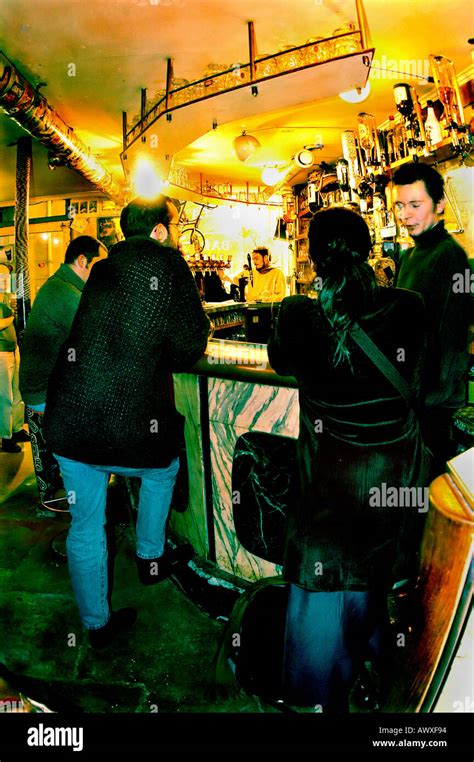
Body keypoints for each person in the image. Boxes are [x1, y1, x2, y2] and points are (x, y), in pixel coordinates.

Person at [267, 208, 431, 712]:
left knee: (324, 596)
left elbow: (280, 361)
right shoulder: (410, 306)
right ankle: (386, 678)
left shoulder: (297, 313)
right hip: (395, 485)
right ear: (368, 248)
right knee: (378, 582)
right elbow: (422, 381)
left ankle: (320, 695)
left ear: (313, 255)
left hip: (330, 491)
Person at [43, 195, 210, 648]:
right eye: (171, 227)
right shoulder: (168, 263)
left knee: (85, 525)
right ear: (158, 231)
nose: (173, 235)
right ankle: (150, 558)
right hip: (128, 423)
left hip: (70, 418)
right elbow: (189, 344)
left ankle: (96, 626)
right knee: (163, 470)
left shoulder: (101, 269)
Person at [392, 162, 472, 476]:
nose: (405, 215)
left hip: (433, 404)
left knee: (428, 490)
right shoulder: (409, 255)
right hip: (411, 395)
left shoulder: (449, 256)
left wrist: (433, 402)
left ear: (439, 205)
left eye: (415, 205)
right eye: (400, 205)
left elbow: (453, 339)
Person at [19, 236, 107, 507]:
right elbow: (97, 336)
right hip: (43, 392)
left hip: (47, 386)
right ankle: (84, 495)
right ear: (82, 261)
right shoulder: (63, 293)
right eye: (100, 266)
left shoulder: (64, 287)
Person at [0, 290, 26, 453]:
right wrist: (11, 316)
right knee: (5, 398)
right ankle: (6, 437)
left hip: (13, 349)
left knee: (17, 393)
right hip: (1, 353)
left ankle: (17, 429)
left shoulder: (3, 298)